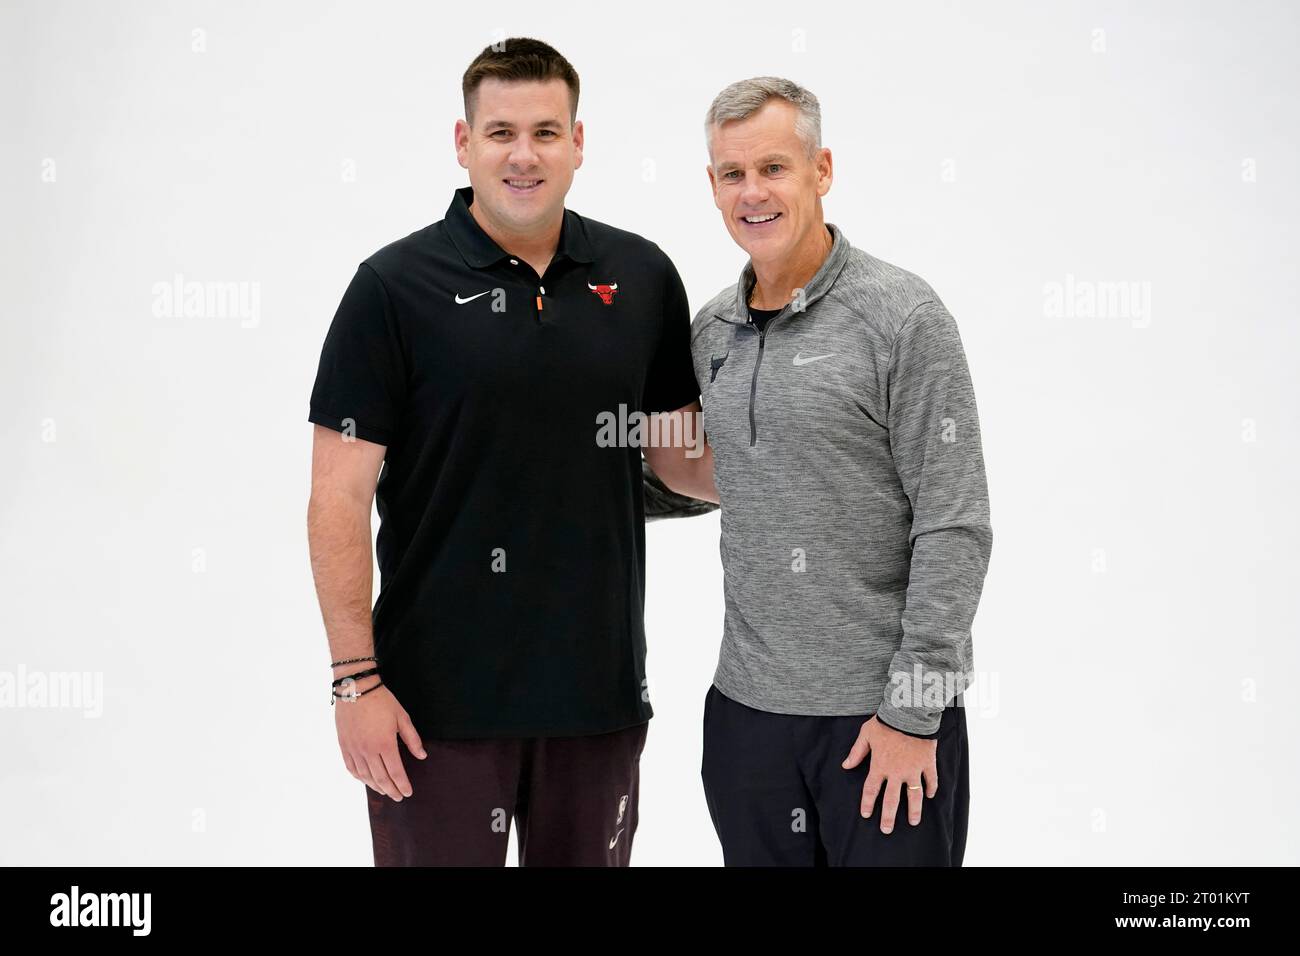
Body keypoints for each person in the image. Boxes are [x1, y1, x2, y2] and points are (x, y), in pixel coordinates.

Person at [306, 37, 715, 866]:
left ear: (578, 142)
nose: (523, 155)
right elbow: (337, 499)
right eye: (500, 133)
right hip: (431, 711)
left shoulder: (640, 277)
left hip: (597, 700)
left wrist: (818, 464)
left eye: (545, 131)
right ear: (464, 145)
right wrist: (356, 681)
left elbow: (677, 461)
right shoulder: (392, 288)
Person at [690, 77, 993, 866]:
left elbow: (955, 524)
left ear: (821, 169)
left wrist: (912, 714)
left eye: (774, 167)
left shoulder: (902, 318)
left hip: (880, 728)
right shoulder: (711, 329)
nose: (752, 191)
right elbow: (728, 473)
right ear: (713, 186)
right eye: (732, 173)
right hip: (746, 722)